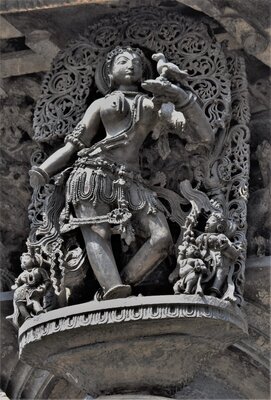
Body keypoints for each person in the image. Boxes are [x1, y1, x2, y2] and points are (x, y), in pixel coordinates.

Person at [29, 46, 214, 300]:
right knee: (99, 232)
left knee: (161, 238)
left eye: (137, 63)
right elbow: (73, 146)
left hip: (132, 180)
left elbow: (204, 135)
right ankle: (112, 287)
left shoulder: (153, 104)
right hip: (92, 174)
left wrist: (179, 96)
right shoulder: (101, 103)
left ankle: (119, 287)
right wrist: (44, 170)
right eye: (123, 61)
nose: (131, 65)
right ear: (109, 73)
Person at [7, 252, 51, 327]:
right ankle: (27, 317)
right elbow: (17, 283)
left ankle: (40, 313)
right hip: (21, 291)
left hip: (35, 290)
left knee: (34, 300)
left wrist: (44, 287)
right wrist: (14, 286)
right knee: (19, 303)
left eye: (27, 259)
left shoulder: (39, 270)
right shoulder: (22, 274)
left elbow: (47, 281)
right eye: (23, 260)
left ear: (34, 260)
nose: (24, 261)